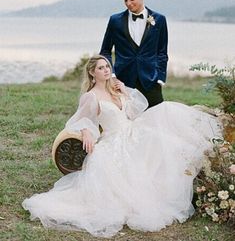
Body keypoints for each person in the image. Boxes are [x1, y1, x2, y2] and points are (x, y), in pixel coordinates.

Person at [22, 55, 222, 238]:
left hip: (134, 130)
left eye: (107, 66)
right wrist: (86, 132)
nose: (106, 70)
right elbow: (79, 119)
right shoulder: (90, 97)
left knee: (167, 117)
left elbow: (133, 114)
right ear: (92, 72)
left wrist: (125, 92)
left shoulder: (115, 87)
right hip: (115, 140)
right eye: (101, 68)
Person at [100, 0, 168, 108]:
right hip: (122, 80)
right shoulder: (115, 21)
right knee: (126, 118)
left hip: (150, 80)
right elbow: (105, 51)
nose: (128, 4)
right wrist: (112, 75)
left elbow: (162, 52)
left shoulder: (159, 20)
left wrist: (160, 78)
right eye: (125, 0)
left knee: (156, 118)